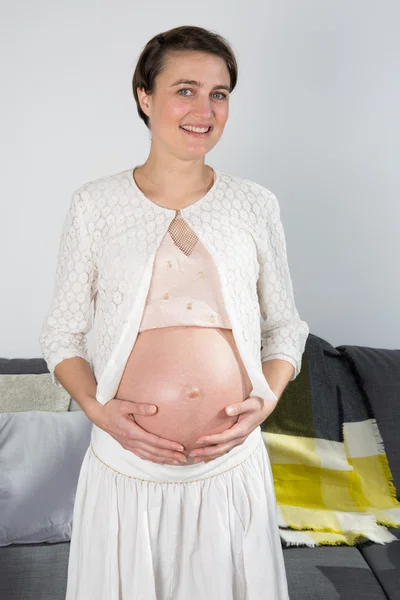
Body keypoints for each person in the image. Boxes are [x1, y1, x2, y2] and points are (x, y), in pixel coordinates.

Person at [39, 24, 309, 600]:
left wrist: (265, 402)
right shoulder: (96, 205)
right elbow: (61, 334)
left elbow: (285, 325)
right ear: (144, 95)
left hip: (230, 470)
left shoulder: (254, 204)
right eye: (185, 89)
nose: (204, 109)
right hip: (126, 469)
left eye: (219, 93)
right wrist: (97, 410)